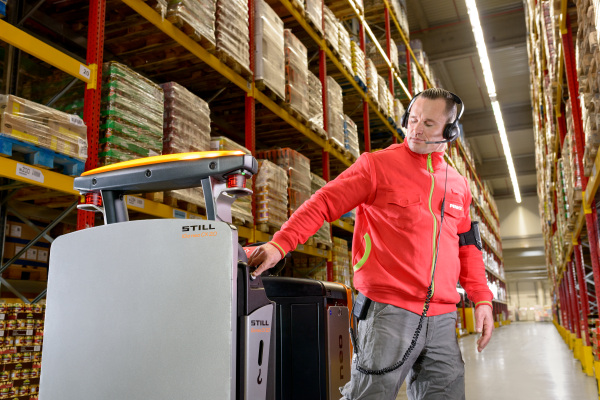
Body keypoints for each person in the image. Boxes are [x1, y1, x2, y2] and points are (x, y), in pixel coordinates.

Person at [248, 87, 494, 400]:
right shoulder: (377, 165)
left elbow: (468, 248)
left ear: (450, 131)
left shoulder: (458, 185)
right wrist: (280, 244)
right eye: (413, 119)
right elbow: (323, 202)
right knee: (370, 395)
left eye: (429, 123)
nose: (416, 129)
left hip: (443, 318)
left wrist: (482, 299)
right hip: (388, 311)